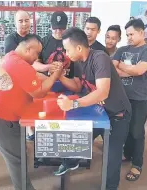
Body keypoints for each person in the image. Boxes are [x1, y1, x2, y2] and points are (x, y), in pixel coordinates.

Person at [54, 27, 131, 190]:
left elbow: (102, 92)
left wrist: (73, 104)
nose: (67, 54)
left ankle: (110, 187)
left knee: (111, 157)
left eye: (68, 50)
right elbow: (76, 86)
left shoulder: (100, 58)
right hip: (100, 111)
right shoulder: (78, 62)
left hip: (118, 114)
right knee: (78, 139)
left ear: (79, 48)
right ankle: (71, 162)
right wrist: (59, 75)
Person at [0, 35, 63, 190]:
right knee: (16, 160)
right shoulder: (18, 64)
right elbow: (39, 93)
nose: (37, 58)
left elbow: (34, 76)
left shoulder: (12, 56)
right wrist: (56, 74)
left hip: (4, 114)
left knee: (19, 155)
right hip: (3, 118)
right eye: (36, 54)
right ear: (28, 49)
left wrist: (50, 73)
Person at [112, 19, 147, 181]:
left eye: (132, 34)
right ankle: (127, 154)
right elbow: (113, 68)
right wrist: (131, 70)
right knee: (124, 129)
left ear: (141, 32)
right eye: (127, 35)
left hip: (141, 98)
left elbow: (140, 70)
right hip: (123, 98)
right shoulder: (122, 49)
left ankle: (137, 164)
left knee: (137, 131)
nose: (129, 37)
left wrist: (126, 69)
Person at [5, 10, 41, 141]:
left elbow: (37, 61)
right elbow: (17, 65)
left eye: (26, 20)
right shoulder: (11, 39)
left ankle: (31, 130)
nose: (24, 24)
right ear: (15, 23)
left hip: (32, 77)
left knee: (32, 104)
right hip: (16, 82)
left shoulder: (34, 38)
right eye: (20, 21)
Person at [33, 11, 73, 78]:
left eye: (61, 28)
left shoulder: (72, 42)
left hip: (68, 81)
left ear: (66, 26)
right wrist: (47, 67)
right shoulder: (43, 42)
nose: (58, 31)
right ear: (51, 26)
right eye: (55, 28)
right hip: (47, 80)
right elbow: (33, 63)